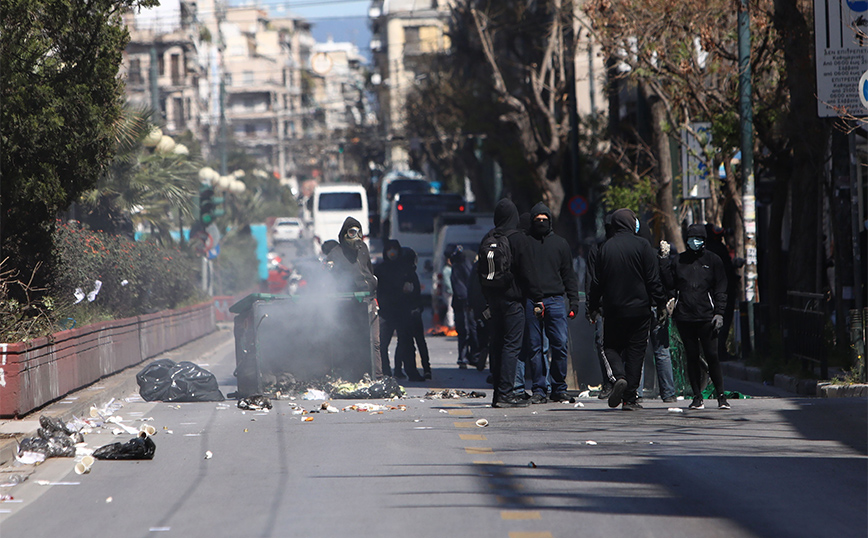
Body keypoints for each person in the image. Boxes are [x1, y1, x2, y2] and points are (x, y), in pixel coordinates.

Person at [587, 208, 668, 410]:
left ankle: (619, 377)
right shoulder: (643, 246)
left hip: (614, 309)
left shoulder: (605, 248)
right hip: (640, 310)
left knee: (611, 347)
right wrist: (660, 304)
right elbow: (653, 280)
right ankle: (630, 398)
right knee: (636, 352)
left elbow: (597, 282)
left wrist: (593, 306)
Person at [478, 199, 543, 408]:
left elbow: (480, 274)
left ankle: (498, 393)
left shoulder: (488, 238)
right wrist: (537, 297)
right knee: (511, 346)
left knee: (497, 346)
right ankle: (507, 394)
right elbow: (528, 272)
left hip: (493, 301)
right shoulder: (518, 239)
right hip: (513, 301)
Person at [661, 223, 730, 409]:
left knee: (712, 355)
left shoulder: (713, 260)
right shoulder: (679, 261)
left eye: (698, 238)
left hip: (707, 317)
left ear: (704, 241)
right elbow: (669, 284)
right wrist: (663, 261)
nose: (694, 242)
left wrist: (719, 313)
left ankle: (721, 396)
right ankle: (697, 397)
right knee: (691, 357)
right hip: (685, 317)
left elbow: (721, 288)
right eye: (691, 238)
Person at [525, 202, 580, 404]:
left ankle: (559, 387)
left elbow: (569, 275)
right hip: (532, 301)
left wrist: (573, 301)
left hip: (556, 300)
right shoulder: (525, 243)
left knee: (560, 345)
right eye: (537, 219)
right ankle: (539, 389)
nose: (541, 222)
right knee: (535, 347)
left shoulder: (560, 244)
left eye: (544, 219)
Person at [326, 217, 382, 378]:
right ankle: (351, 374)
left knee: (375, 341)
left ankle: (377, 375)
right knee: (352, 340)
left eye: (358, 232)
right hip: (350, 304)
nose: (355, 236)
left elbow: (369, 271)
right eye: (351, 232)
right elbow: (329, 279)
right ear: (344, 234)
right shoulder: (335, 254)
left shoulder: (363, 249)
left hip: (369, 300)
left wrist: (373, 288)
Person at [374, 239, 418, 380]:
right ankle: (385, 373)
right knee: (381, 344)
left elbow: (414, 287)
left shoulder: (404, 268)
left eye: (395, 249)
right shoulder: (380, 269)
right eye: (389, 249)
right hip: (386, 311)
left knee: (406, 343)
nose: (392, 252)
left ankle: (409, 371)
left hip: (402, 310)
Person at [586, 212, 614, 399]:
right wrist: (592, 307)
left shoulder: (633, 247)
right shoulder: (597, 249)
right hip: (605, 307)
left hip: (626, 305)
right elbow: (592, 281)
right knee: (601, 343)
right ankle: (609, 381)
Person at [705, 224, 739, 361]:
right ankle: (719, 350)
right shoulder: (718, 250)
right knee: (722, 320)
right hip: (723, 293)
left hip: (714, 294)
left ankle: (716, 350)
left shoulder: (707, 251)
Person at [402, 247, 431, 380]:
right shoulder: (409, 274)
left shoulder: (406, 273)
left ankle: (411, 369)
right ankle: (424, 369)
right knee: (418, 343)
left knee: (408, 343)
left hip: (410, 313)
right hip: (412, 312)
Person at [449, 245, 476, 369]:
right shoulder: (463, 266)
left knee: (466, 330)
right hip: (465, 301)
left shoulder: (459, 265)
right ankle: (466, 356)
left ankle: (467, 356)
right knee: (466, 329)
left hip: (464, 301)